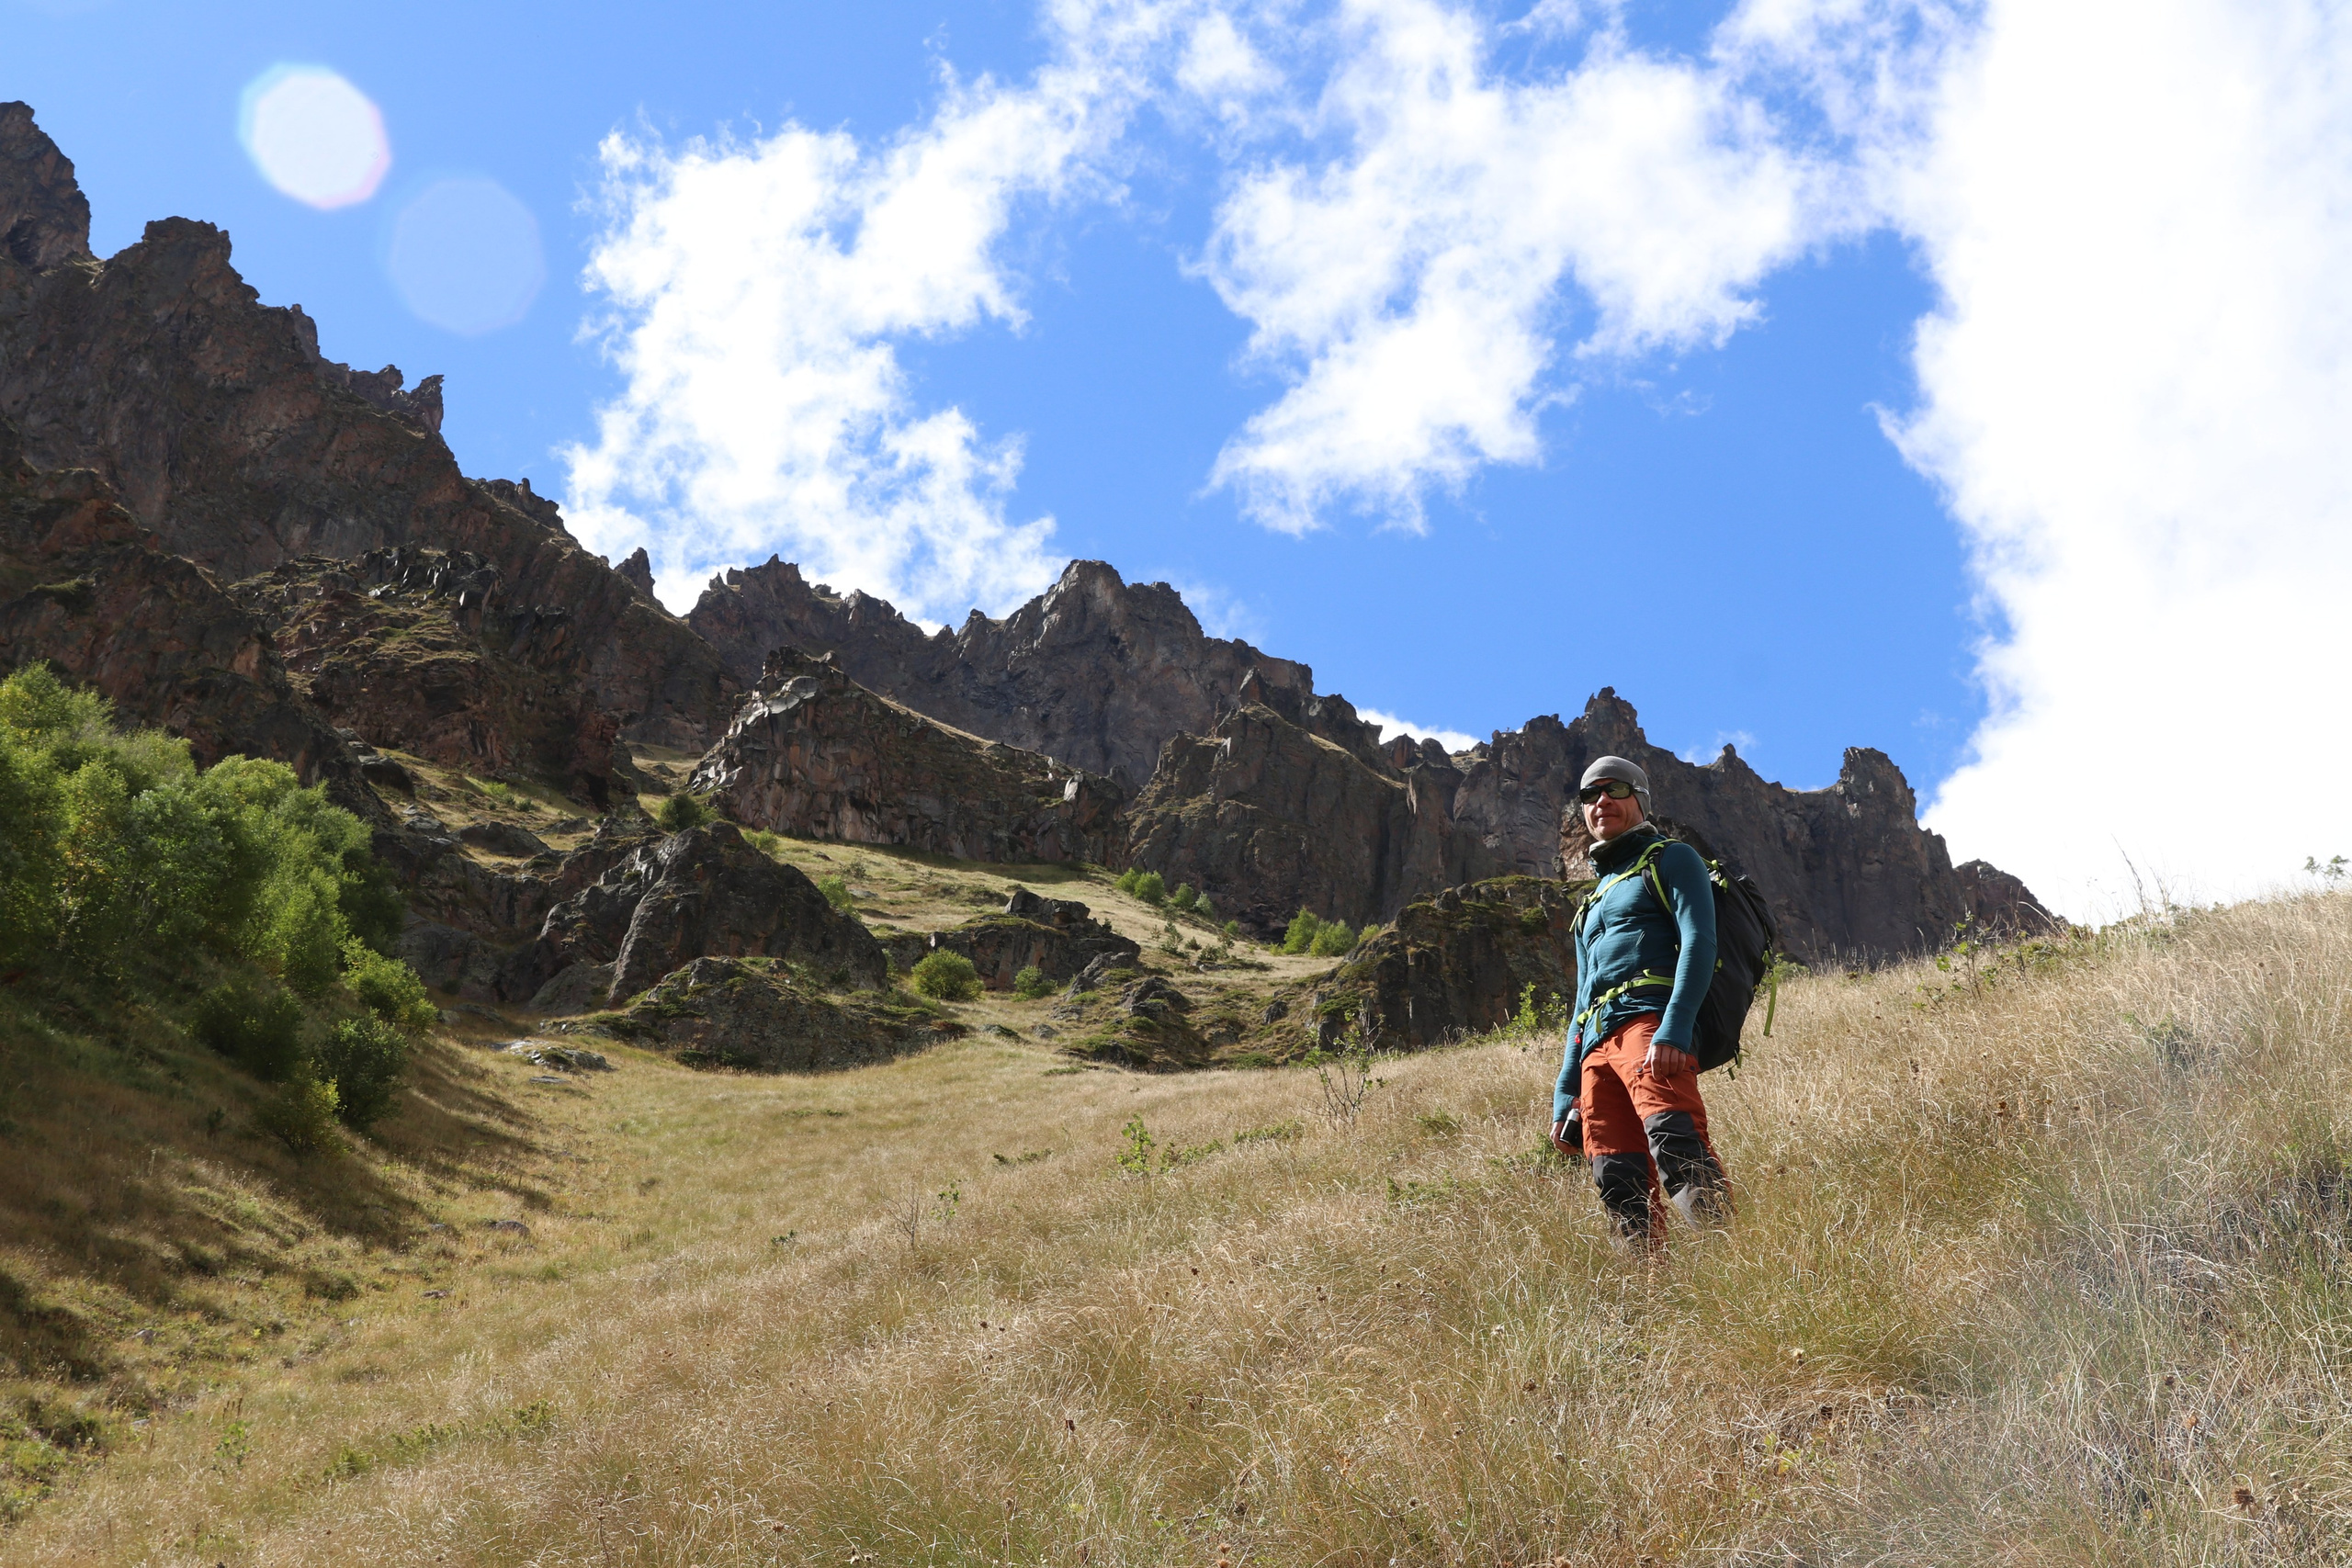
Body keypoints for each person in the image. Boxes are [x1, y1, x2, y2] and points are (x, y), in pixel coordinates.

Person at [1550, 756, 1731, 1246]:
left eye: (1614, 789)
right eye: (1589, 795)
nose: (1600, 801)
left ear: (1640, 798)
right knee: (1615, 1179)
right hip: (1595, 1046)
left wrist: (1674, 1027)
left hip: (1649, 1026)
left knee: (1676, 1142)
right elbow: (1581, 998)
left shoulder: (1672, 858)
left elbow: (1700, 942)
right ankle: (1651, 1298)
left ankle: (1740, 1268)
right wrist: (1565, 1091)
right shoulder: (1589, 904)